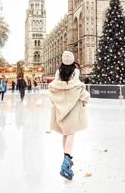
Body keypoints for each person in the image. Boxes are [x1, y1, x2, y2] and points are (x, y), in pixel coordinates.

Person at [48, 51, 90, 180]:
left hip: (60, 110)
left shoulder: (57, 74)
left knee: (65, 133)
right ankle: (66, 160)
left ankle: (66, 157)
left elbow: (54, 91)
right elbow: (77, 89)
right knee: (71, 133)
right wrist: (86, 97)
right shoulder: (75, 73)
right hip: (72, 109)